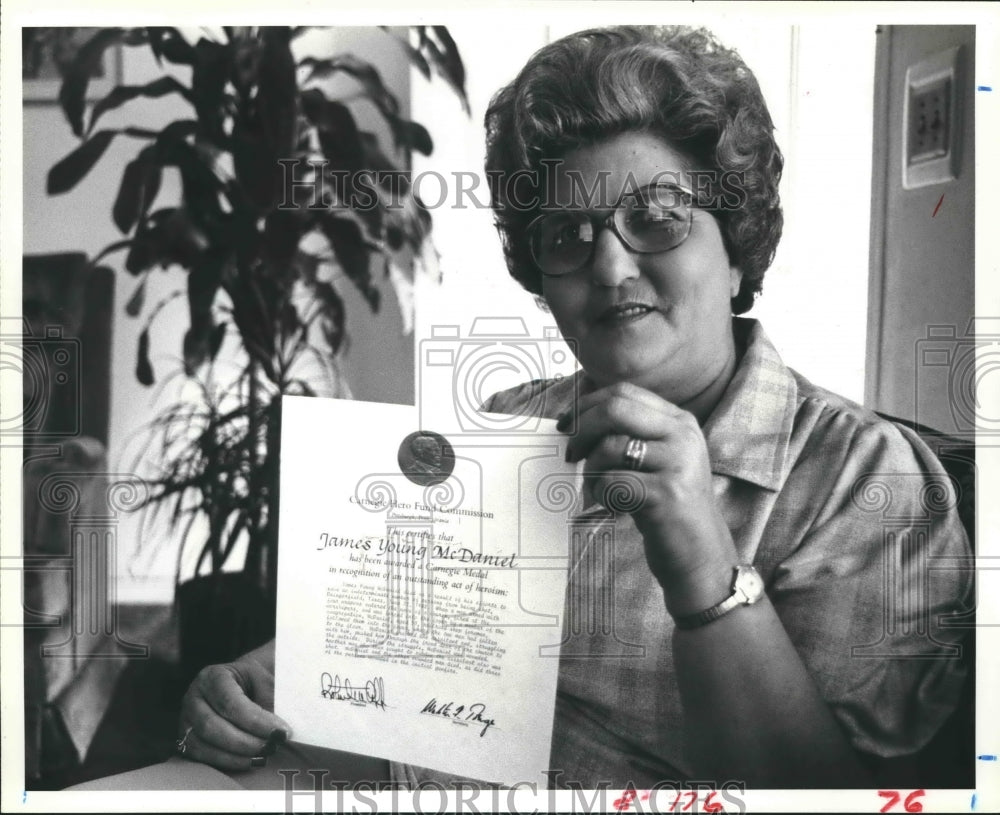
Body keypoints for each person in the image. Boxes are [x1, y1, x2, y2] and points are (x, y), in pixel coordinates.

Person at [70, 25, 972, 791]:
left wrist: (706, 570)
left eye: (657, 217)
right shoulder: (503, 424)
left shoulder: (869, 480)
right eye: (567, 237)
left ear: (737, 245)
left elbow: (826, 797)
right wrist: (248, 688)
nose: (611, 267)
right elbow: (365, 659)